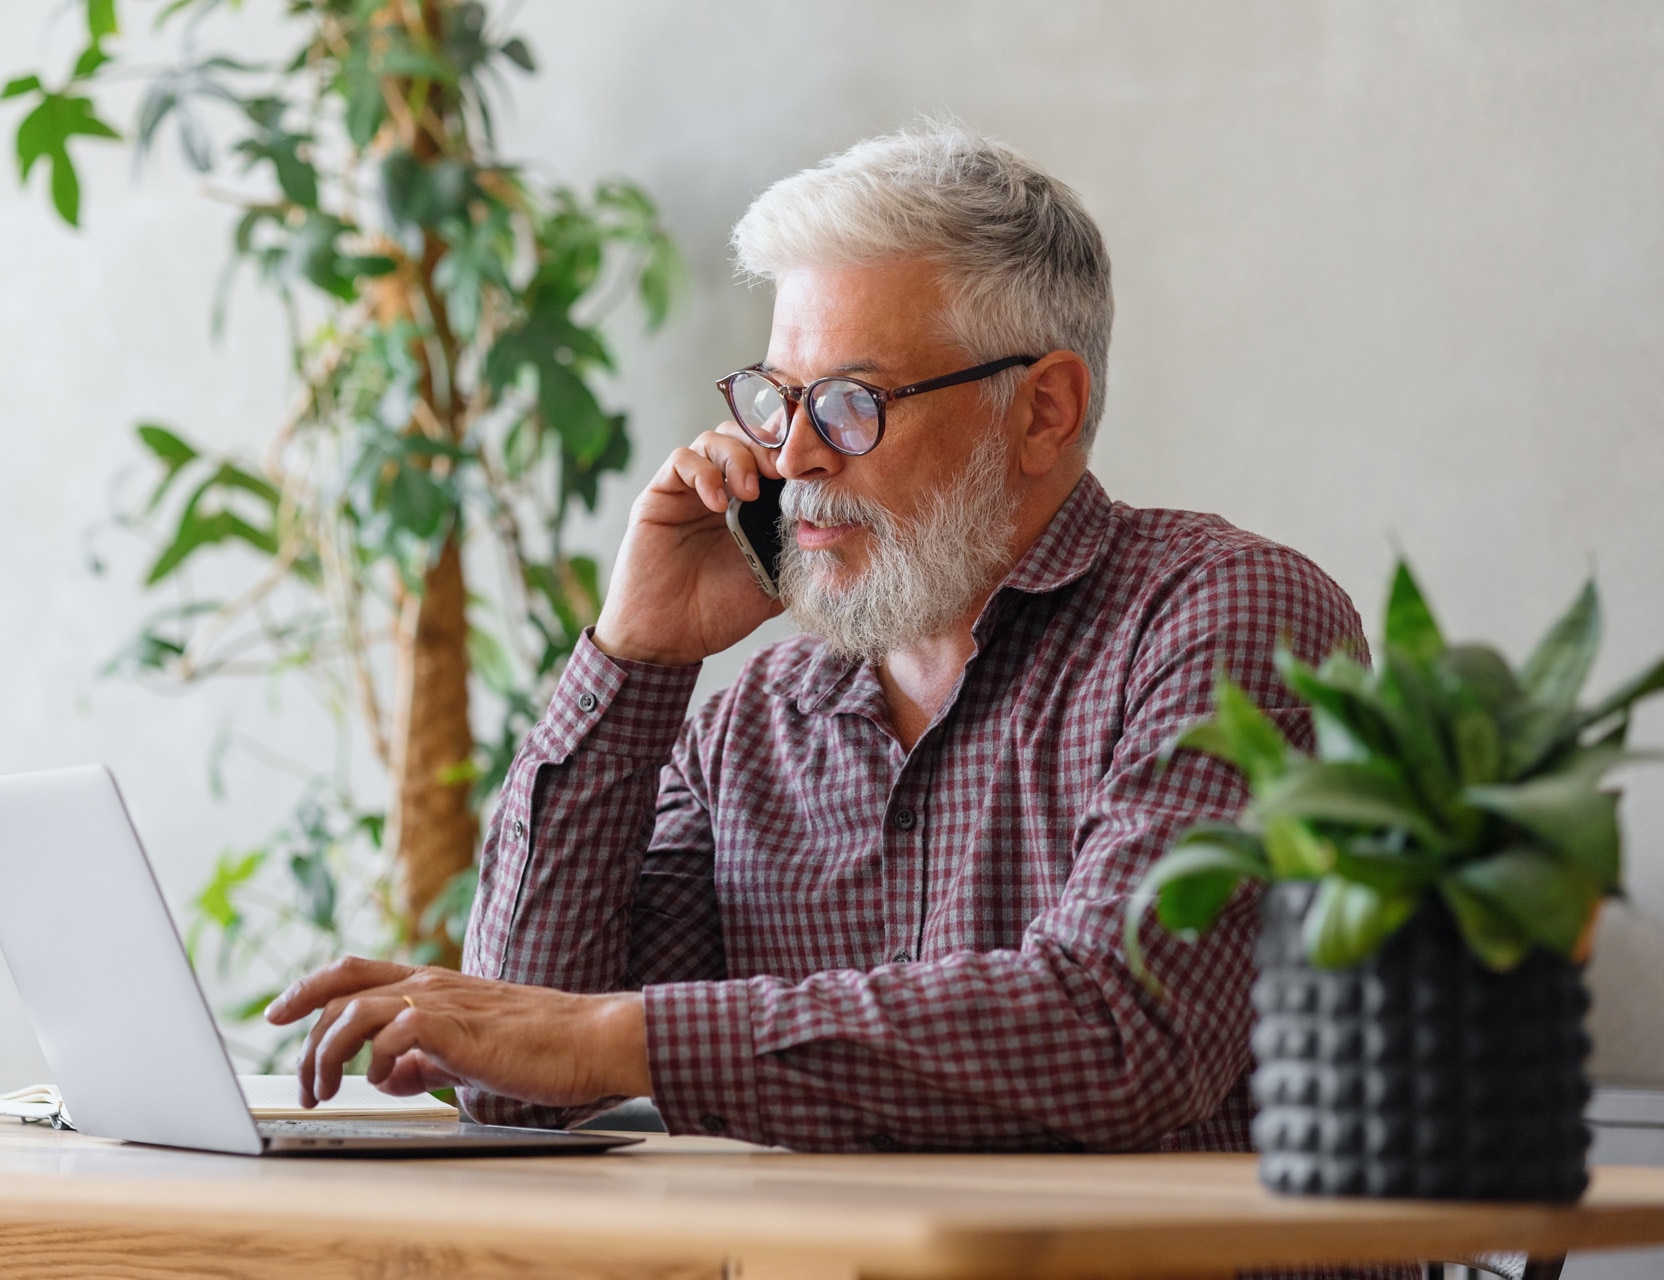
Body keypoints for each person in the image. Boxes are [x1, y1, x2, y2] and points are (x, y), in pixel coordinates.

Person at [266, 125, 1366, 1159]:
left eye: (849, 403)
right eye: (775, 399)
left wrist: (617, 1037)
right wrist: (634, 655)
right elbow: (515, 1082)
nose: (791, 456)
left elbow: (1122, 1032)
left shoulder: (1226, 618)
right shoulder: (762, 714)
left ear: (1043, 411)